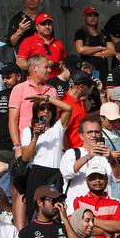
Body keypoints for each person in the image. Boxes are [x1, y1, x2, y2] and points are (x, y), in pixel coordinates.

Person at [19, 93, 73, 223]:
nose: (46, 112)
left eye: (49, 109)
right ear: (36, 112)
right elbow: (25, 157)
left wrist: (46, 98)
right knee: (34, 208)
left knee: (55, 209)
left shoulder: (57, 128)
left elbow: (68, 109)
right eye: (42, 109)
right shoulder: (29, 130)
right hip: (37, 172)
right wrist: (35, 137)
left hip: (55, 173)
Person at [60, 116, 120, 214]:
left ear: (101, 135)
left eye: (97, 132)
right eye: (89, 132)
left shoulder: (107, 156)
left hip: (101, 212)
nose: (94, 135)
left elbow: (119, 178)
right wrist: (89, 155)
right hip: (75, 211)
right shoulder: (72, 153)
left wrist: (111, 159)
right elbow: (66, 173)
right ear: (81, 136)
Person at [16, 13, 65, 78]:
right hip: (37, 82)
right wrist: (40, 66)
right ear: (37, 27)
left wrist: (62, 65)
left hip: (57, 82)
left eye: (49, 24)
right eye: (43, 24)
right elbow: (20, 63)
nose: (47, 26)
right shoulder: (28, 41)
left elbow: (63, 61)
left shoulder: (58, 43)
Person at [74, 6, 114, 84]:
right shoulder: (80, 32)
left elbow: (112, 51)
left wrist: (90, 51)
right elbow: (80, 50)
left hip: (103, 69)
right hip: (88, 69)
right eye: (89, 15)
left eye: (95, 15)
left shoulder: (104, 33)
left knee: (102, 90)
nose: (93, 17)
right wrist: (100, 48)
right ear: (85, 18)